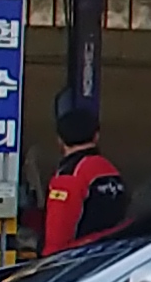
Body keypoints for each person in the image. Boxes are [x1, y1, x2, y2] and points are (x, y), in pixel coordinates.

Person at [40, 94, 129, 252]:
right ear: (96, 136)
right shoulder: (111, 170)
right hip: (112, 253)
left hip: (79, 258)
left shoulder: (70, 175)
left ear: (60, 140)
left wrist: (49, 260)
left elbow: (57, 235)